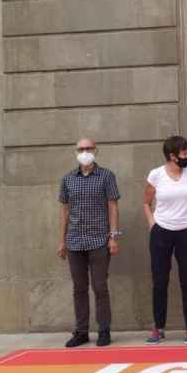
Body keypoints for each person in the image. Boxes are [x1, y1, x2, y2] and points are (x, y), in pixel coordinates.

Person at [58, 138, 121, 348]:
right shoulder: (68, 179)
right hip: (74, 241)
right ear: (76, 151)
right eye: (81, 149)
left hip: (99, 241)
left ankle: (104, 330)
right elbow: (65, 211)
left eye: (88, 148)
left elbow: (112, 207)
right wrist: (62, 240)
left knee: (100, 286)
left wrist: (113, 237)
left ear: (96, 151)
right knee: (79, 288)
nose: (85, 152)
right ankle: (81, 331)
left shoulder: (106, 176)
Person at [143, 135, 187, 344]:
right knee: (160, 281)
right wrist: (152, 223)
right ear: (172, 156)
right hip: (162, 232)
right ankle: (158, 328)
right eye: (184, 153)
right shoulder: (156, 175)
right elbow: (146, 202)